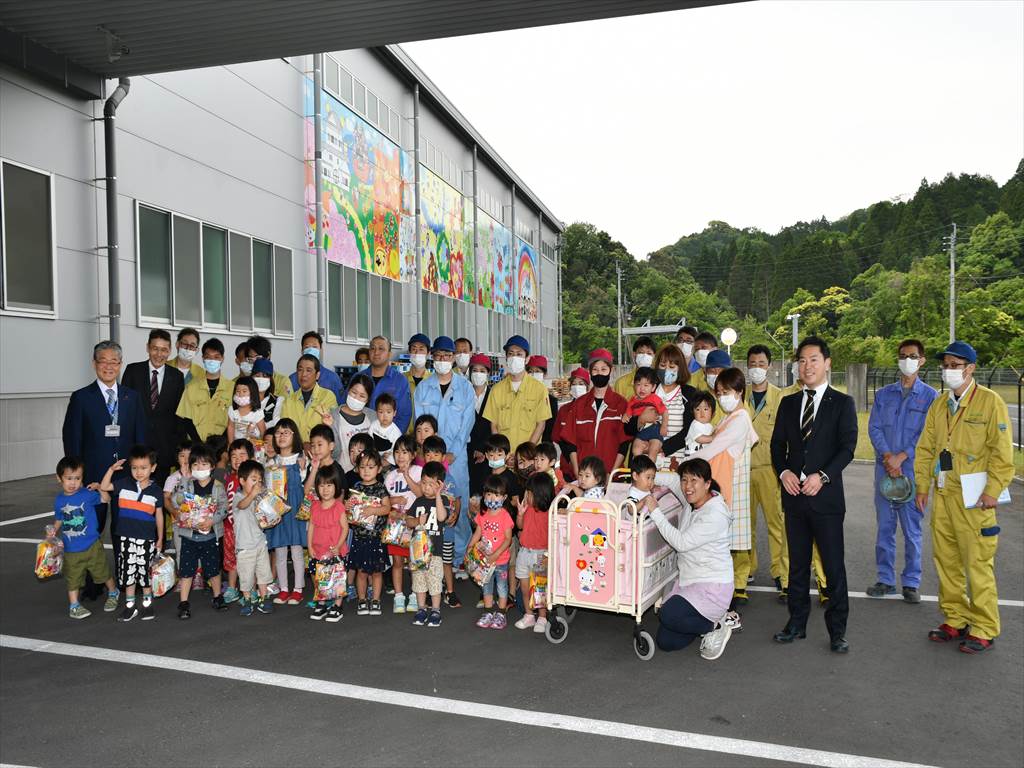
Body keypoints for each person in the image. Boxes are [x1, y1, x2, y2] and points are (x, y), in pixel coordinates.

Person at [914, 341, 1013, 654]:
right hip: (944, 494)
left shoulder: (990, 402)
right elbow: (926, 447)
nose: (948, 371)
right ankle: (955, 619)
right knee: (947, 562)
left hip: (975, 499)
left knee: (977, 564)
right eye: (945, 365)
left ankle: (984, 627)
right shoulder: (940, 404)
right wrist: (922, 486)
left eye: (955, 366)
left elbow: (1002, 452)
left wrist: (993, 490)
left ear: (970, 368)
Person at [771, 336, 857, 653]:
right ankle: (796, 623)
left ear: (827, 363)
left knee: (833, 568)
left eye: (813, 360)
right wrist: (784, 472)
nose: (807, 366)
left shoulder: (842, 403)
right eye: (802, 361)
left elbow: (847, 448)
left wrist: (822, 477)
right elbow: (777, 446)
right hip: (795, 498)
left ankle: (837, 631)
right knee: (797, 565)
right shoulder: (789, 403)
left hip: (827, 500)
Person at [62, 340, 147, 594]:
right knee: (91, 529)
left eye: (114, 361)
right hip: (93, 477)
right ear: (94, 364)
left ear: (120, 365)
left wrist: (141, 472)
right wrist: (76, 476)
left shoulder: (131, 397)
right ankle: (92, 582)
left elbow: (140, 436)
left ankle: (126, 578)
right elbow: (72, 438)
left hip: (126, 477)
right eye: (103, 361)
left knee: (125, 529)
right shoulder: (81, 397)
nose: (108, 366)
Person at [866, 339, 938, 603]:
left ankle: (911, 582)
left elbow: (927, 435)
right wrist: (888, 457)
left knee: (912, 530)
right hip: (885, 469)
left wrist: (902, 457)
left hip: (912, 471)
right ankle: (885, 579)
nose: (907, 360)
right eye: (903, 356)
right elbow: (874, 427)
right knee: (885, 528)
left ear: (922, 360)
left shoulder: (931, 397)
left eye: (913, 356)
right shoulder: (884, 394)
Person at [648, 458, 736, 659]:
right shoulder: (692, 498)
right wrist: (647, 478)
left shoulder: (714, 514)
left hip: (712, 586)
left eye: (694, 480)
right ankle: (701, 625)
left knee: (668, 614)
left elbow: (681, 543)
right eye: (685, 480)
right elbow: (672, 480)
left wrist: (655, 512)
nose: (687, 486)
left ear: (707, 483)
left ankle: (715, 626)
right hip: (689, 582)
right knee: (666, 642)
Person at [414, 335, 476, 582]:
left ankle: (460, 558)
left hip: (456, 459)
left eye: (447, 355)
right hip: (430, 457)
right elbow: (421, 424)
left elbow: (467, 423)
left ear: (453, 358)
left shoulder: (465, 388)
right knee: (430, 507)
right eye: (438, 355)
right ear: (432, 357)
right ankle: (432, 557)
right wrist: (430, 452)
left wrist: (452, 453)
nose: (442, 359)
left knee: (458, 508)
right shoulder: (423, 388)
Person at [699, 367, 758, 608]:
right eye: (720, 393)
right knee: (722, 545)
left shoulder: (740, 419)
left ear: (740, 391)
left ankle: (724, 596)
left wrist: (686, 464)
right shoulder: (728, 417)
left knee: (722, 547)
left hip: (730, 488)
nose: (722, 397)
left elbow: (715, 447)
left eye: (727, 392)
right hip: (723, 485)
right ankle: (723, 592)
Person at [99, 445, 163, 622]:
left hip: (146, 539)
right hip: (125, 538)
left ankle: (147, 606)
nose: (139, 472)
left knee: (145, 573)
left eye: (143, 468)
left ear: (153, 468)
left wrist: (160, 538)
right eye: (134, 468)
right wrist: (111, 470)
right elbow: (104, 486)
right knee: (128, 574)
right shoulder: (123, 484)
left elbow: (159, 516)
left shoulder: (156, 491)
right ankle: (130, 607)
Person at [745, 344, 789, 601]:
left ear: (770, 367)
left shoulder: (781, 398)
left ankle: (781, 573)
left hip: (771, 470)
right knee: (745, 525)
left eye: (761, 364)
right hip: (743, 471)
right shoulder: (739, 396)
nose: (757, 368)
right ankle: (747, 569)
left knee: (776, 524)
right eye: (753, 364)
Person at [52, 456, 120, 618]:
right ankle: (74, 606)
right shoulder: (59, 500)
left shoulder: (87, 494)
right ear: (59, 478)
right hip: (71, 549)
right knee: (73, 578)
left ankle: (113, 592)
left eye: (77, 478)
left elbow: (106, 499)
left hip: (92, 544)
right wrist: (52, 532)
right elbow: (59, 519)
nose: (73, 483)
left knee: (102, 572)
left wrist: (100, 488)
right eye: (69, 478)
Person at [170, 443, 230, 620]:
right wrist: (183, 479)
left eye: (204, 464)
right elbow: (175, 501)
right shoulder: (187, 484)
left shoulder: (217, 486)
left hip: (210, 535)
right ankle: (183, 603)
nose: (199, 468)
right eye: (195, 465)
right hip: (189, 536)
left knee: (213, 570)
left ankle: (217, 597)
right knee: (186, 570)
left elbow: (224, 508)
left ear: (212, 466)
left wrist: (212, 520)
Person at [121, 329, 186, 486]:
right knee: (134, 494)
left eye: (164, 350)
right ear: (148, 348)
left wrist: (177, 448)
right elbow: (124, 410)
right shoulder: (132, 371)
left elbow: (179, 415)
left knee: (159, 495)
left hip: (164, 450)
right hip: (137, 447)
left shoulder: (177, 376)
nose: (159, 354)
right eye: (155, 348)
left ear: (169, 351)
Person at [559, 348, 628, 478]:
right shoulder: (579, 404)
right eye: (595, 369)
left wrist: (612, 473)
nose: (599, 373)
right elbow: (571, 442)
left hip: (611, 475)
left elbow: (624, 444)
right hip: (584, 476)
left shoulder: (621, 404)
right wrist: (577, 472)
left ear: (611, 370)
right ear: (590, 372)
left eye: (603, 369)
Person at [483, 335, 552, 454]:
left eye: (519, 354)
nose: (514, 358)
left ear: (527, 359)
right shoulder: (496, 390)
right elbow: (493, 425)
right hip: (503, 456)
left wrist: (525, 453)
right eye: (511, 354)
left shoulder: (539, 389)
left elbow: (541, 425)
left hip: (529, 456)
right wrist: (501, 452)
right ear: (506, 357)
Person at [265, 418, 308, 605]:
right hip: (279, 509)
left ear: (294, 435)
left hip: (296, 507)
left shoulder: (301, 458)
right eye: (278, 433)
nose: (281, 436)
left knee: (297, 550)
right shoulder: (272, 461)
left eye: (286, 432)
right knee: (280, 550)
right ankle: (283, 589)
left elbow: (306, 485)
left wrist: (304, 469)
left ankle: (298, 589)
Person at [405, 461, 451, 627]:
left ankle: (436, 610)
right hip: (418, 552)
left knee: (434, 582)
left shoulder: (443, 500)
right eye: (424, 483)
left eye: (431, 484)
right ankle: (421, 608)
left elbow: (441, 517)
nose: (426, 487)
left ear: (439, 485)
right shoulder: (418, 501)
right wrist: (417, 520)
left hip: (435, 553)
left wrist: (438, 495)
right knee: (419, 582)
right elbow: (408, 521)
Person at [345, 449, 391, 616]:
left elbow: (387, 508)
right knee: (361, 572)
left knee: (377, 572)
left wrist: (373, 510)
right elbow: (349, 510)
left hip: (376, 538)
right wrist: (347, 506)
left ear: (379, 469)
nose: (366, 471)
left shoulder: (380, 488)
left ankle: (376, 600)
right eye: (362, 467)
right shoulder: (356, 488)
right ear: (357, 469)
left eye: (370, 467)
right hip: (359, 537)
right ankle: (362, 599)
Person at [469, 474, 515, 630]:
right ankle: (488, 612)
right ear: (484, 495)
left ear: (504, 497)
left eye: (497, 495)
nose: (492, 498)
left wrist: (496, 554)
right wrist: (470, 547)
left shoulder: (505, 516)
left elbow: (508, 539)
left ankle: (501, 614)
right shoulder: (483, 515)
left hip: (500, 560)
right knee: (486, 586)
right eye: (489, 494)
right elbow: (478, 532)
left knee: (502, 587)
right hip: (485, 561)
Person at [306, 463, 349, 623]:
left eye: (329, 485)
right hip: (318, 550)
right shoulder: (315, 506)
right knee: (320, 578)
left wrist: (338, 546)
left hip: (335, 551)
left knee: (337, 579)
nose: (325, 489)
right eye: (322, 485)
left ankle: (337, 606)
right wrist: (309, 546)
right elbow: (311, 526)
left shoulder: (339, 507)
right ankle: (322, 604)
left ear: (336, 486)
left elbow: (345, 528)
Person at [385, 435, 423, 614]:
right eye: (397, 452)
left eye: (405, 452)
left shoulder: (418, 471)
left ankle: (415, 594)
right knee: (397, 561)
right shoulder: (390, 476)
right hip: (396, 522)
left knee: (415, 561)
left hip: (414, 520)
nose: (400, 456)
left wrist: (407, 475)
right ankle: (398, 596)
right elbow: (385, 501)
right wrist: (394, 500)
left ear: (413, 454)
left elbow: (421, 493)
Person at [232, 459, 275, 616]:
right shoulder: (238, 497)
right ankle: (247, 599)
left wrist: (272, 517)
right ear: (242, 481)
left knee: (263, 573)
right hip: (244, 546)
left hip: (260, 543)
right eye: (253, 479)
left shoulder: (259, 498)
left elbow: (264, 519)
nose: (257, 483)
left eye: (260, 480)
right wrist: (253, 494)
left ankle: (264, 598)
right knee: (246, 576)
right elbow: (242, 505)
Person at [514, 471, 554, 633]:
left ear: (540, 494)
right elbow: (520, 526)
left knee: (539, 589)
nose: (527, 495)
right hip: (524, 552)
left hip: (541, 554)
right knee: (525, 588)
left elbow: (553, 536)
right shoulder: (528, 509)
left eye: (529, 493)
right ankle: (529, 615)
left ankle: (542, 617)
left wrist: (548, 555)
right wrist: (520, 514)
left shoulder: (550, 513)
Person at [176, 338, 233, 443]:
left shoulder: (232, 388)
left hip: (222, 446)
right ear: (203, 358)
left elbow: (233, 420)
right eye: (208, 357)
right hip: (196, 445)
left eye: (216, 357)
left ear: (222, 358)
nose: (212, 361)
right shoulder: (191, 387)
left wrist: (220, 444)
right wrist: (199, 444)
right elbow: (185, 419)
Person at [280, 353, 338, 444]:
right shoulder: (288, 401)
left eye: (308, 370)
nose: (303, 374)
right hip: (295, 449)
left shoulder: (328, 396)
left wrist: (311, 444)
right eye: (300, 370)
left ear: (317, 375)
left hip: (318, 450)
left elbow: (331, 429)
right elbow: (284, 431)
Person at [356, 336, 410, 432]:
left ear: (389, 354)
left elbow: (404, 416)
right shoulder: (357, 378)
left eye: (381, 349)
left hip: (388, 437)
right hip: (359, 435)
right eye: (372, 348)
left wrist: (391, 437)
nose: (376, 352)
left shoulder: (400, 381)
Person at [326, 373, 375, 471]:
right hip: (341, 473)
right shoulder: (332, 416)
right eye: (354, 392)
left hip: (367, 475)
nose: (356, 398)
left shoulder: (373, 417)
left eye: (362, 396)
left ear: (368, 399)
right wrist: (330, 426)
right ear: (348, 390)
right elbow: (332, 452)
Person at [552, 367, 590, 481]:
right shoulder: (564, 410)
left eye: (581, 384)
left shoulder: (592, 410)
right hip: (568, 466)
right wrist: (570, 460)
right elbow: (558, 437)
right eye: (574, 384)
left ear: (587, 387)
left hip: (589, 466)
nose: (577, 387)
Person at [623, 367, 667, 460]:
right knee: (635, 450)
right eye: (638, 384)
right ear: (634, 385)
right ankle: (640, 466)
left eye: (646, 385)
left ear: (653, 387)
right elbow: (628, 415)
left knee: (653, 450)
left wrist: (664, 426)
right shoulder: (632, 401)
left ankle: (651, 467)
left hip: (654, 429)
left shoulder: (654, 398)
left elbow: (664, 411)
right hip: (641, 431)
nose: (642, 388)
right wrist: (625, 416)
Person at [289, 331, 344, 403]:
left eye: (314, 347)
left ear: (321, 350)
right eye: (307, 347)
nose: (311, 350)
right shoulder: (292, 379)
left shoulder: (332, 378)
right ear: (302, 351)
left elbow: (339, 404)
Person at [526, 355, 560, 443]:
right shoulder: (521, 396)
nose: (533, 374)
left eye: (537, 371)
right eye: (530, 371)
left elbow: (550, 429)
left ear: (545, 374)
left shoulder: (551, 400)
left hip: (542, 447)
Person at [468, 354, 493, 462]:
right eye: (475, 370)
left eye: (482, 371)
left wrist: (482, 448)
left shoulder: (494, 395)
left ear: (488, 374)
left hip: (489, 452)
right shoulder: (464, 395)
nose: (478, 374)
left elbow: (495, 425)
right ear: (470, 373)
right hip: (467, 451)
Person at [404, 332, 433, 427]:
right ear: (409, 353)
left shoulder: (434, 381)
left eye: (421, 349)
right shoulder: (401, 380)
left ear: (428, 353)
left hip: (426, 432)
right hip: (404, 432)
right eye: (414, 349)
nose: (417, 353)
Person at [227, 377, 266, 445]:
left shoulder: (257, 412)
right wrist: (231, 444)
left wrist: (262, 446)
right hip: (237, 443)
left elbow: (263, 431)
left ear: (252, 393)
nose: (241, 394)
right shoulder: (232, 409)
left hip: (253, 444)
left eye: (244, 391)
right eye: (238, 391)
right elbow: (231, 427)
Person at [369, 393, 403, 466]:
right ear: (376, 413)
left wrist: (388, 460)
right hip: (374, 455)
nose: (385, 416)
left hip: (388, 461)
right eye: (381, 412)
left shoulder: (396, 432)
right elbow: (369, 440)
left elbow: (397, 450)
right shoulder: (373, 425)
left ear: (394, 413)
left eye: (388, 412)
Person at [252, 358, 284, 429]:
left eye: (265, 376)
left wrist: (254, 428)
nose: (261, 379)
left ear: (270, 379)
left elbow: (276, 423)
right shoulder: (244, 400)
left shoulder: (278, 401)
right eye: (257, 376)